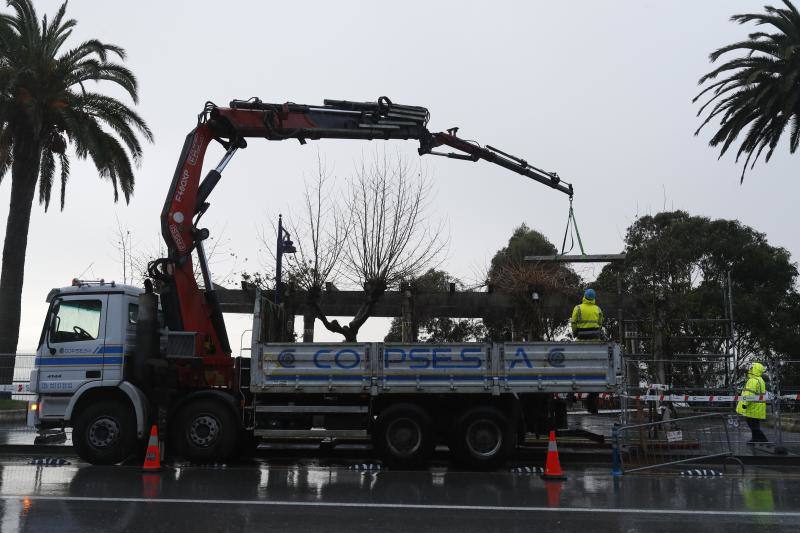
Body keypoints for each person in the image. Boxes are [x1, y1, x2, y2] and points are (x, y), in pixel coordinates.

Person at [736, 362, 769, 443]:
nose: (749, 369)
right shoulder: (760, 380)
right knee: (755, 425)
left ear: (754, 369)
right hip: (757, 407)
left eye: (751, 368)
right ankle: (755, 439)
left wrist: (744, 405)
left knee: (753, 426)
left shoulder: (753, 380)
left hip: (752, 407)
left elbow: (749, 394)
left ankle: (763, 440)